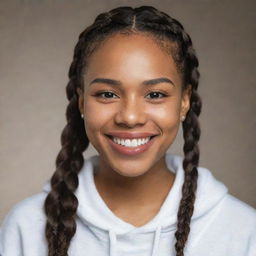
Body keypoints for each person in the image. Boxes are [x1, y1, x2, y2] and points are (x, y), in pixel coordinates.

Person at [0, 5, 255, 256]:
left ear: (184, 102)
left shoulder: (243, 231)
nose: (130, 117)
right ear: (81, 102)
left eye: (155, 94)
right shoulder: (26, 227)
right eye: (107, 94)